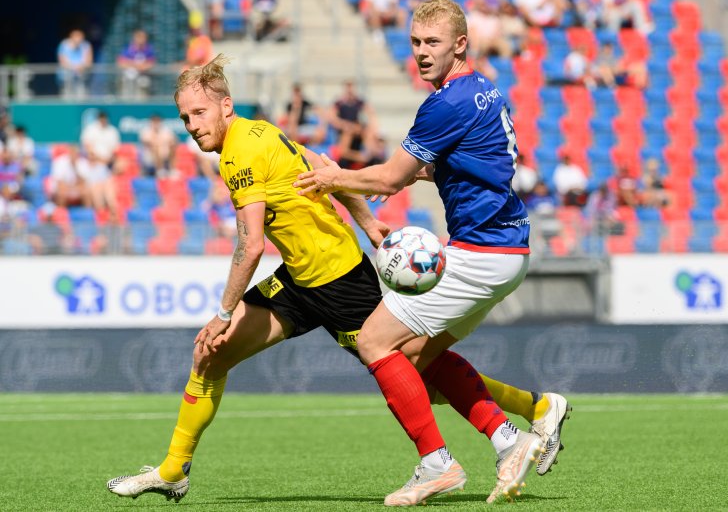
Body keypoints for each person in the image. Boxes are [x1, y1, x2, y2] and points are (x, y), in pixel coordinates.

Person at [107, 53, 569, 504]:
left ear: (226, 105)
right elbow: (325, 169)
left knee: (417, 368)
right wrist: (368, 224)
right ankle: (172, 472)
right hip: (298, 279)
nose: (192, 125)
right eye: (185, 117)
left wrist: (223, 312)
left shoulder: (239, 154)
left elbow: (250, 247)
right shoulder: (258, 132)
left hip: (338, 279)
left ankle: (521, 417)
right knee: (211, 355)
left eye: (199, 113)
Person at [294, 0, 570, 506]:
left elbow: (391, 176)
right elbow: (470, 160)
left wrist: (336, 179)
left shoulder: (445, 103)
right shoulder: (481, 88)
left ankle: (437, 464)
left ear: (460, 45)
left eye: (433, 43)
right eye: (416, 43)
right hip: (506, 248)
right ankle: (512, 437)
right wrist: (421, 170)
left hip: (481, 250)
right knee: (417, 357)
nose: (421, 53)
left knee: (374, 342)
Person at [117, 29, 156, 99]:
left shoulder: (148, 50)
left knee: (144, 82)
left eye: (143, 37)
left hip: (143, 76)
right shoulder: (128, 48)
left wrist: (135, 65)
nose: (141, 39)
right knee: (129, 75)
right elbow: (121, 62)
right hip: (129, 80)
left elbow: (151, 64)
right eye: (139, 37)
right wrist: (136, 65)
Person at [56, 28, 93, 98]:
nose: (78, 40)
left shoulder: (86, 45)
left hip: (81, 78)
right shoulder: (63, 45)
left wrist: (81, 67)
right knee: (67, 97)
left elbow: (89, 62)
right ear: (71, 37)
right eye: (76, 37)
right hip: (66, 78)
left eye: (80, 37)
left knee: (82, 96)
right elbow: (62, 61)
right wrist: (73, 67)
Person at [139, 113, 177, 177]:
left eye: (158, 121)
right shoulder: (145, 131)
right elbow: (148, 143)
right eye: (154, 121)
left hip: (165, 154)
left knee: (172, 147)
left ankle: (172, 170)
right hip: (149, 157)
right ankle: (160, 170)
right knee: (155, 147)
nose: (156, 123)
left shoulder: (166, 130)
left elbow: (174, 141)